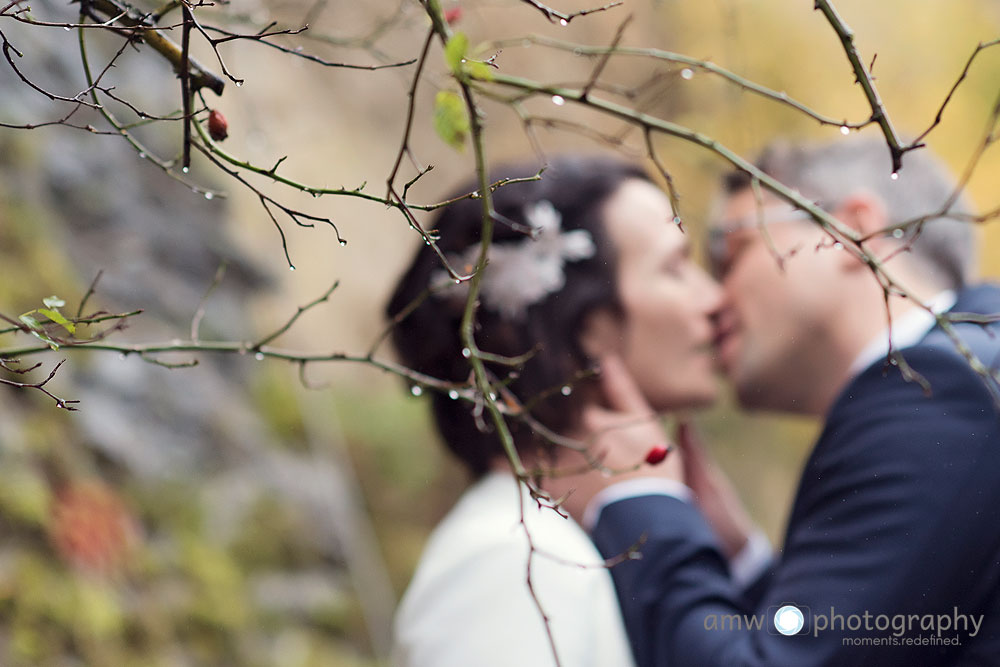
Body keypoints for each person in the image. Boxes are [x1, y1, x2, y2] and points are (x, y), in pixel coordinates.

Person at [550, 137, 1000, 666]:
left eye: (731, 254)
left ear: (854, 231)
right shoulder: (967, 372)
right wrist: (742, 559)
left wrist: (643, 505)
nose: (715, 300)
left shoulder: (938, 394)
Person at [386, 155, 741, 666]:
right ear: (583, 326)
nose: (714, 299)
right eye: (675, 267)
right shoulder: (512, 560)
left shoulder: (573, 545)